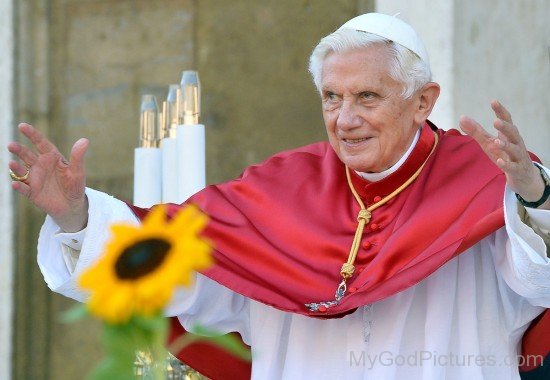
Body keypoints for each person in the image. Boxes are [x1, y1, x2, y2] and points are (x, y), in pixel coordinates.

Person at [8, 13, 550, 380]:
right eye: (331, 97)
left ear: (422, 100)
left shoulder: (484, 184)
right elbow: (184, 270)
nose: (345, 119)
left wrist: (531, 200)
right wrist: (78, 217)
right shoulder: (280, 191)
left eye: (367, 97)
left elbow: (537, 282)